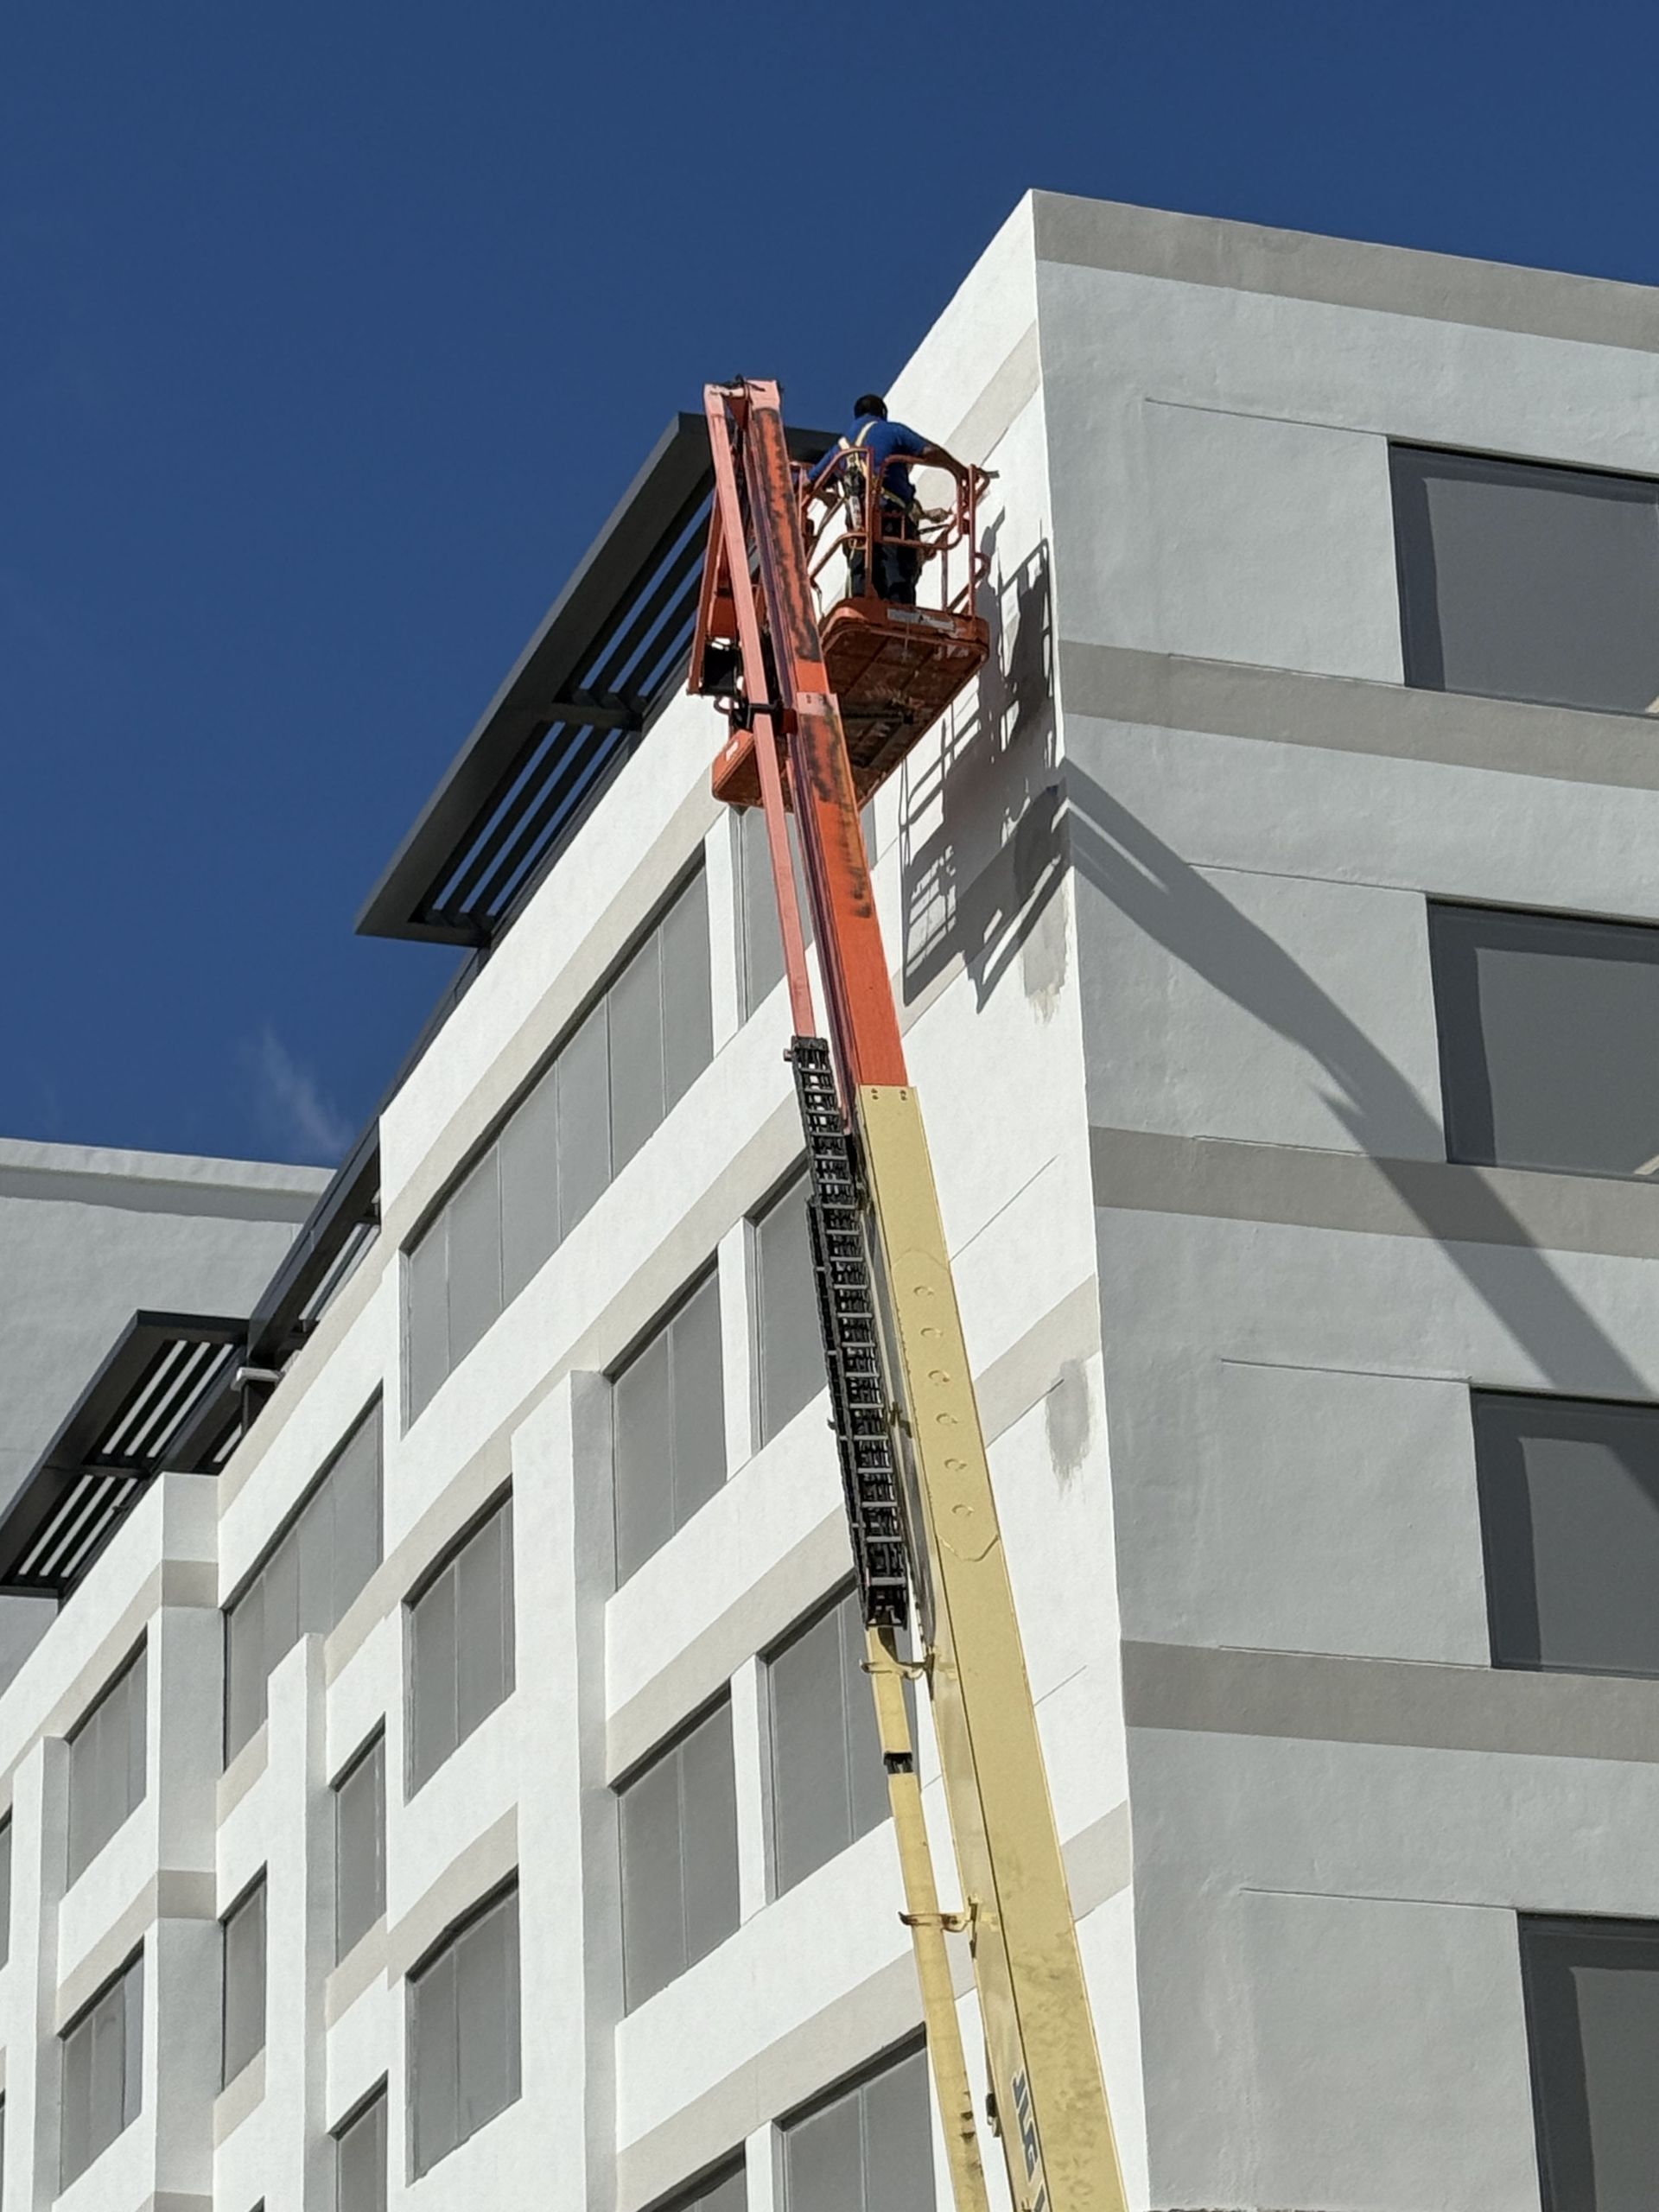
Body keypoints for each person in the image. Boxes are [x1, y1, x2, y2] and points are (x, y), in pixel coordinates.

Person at [810, 394, 963, 605]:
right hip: (892, 524)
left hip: (859, 532)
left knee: (863, 581)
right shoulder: (890, 431)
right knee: (897, 580)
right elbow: (929, 451)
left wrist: (824, 496)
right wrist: (959, 470)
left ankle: (862, 611)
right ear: (882, 413)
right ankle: (902, 620)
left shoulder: (840, 448)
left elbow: (807, 484)